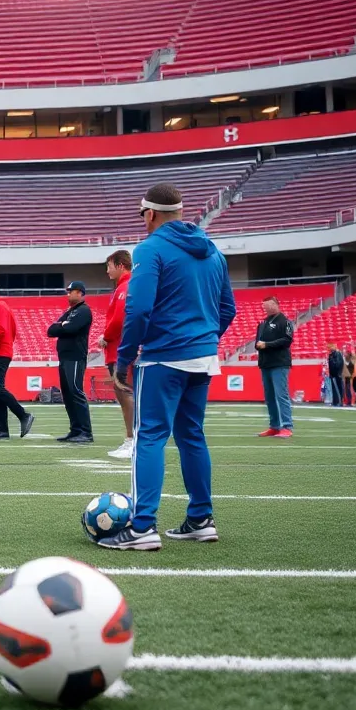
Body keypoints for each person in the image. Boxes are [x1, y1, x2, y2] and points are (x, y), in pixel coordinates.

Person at [104, 183, 236, 551]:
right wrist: (205, 340)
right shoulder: (214, 251)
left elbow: (139, 308)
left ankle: (142, 525)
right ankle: (200, 519)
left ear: (150, 213)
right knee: (192, 435)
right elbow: (228, 309)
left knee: (149, 437)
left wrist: (124, 359)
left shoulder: (150, 249)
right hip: (203, 356)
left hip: (163, 357)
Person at [0, 283, 34, 440]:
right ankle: (2, 429)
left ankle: (23, 415)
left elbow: (1, 330)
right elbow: (11, 330)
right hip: (0, 352)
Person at [47, 281, 94, 444]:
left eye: (71, 291)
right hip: (65, 357)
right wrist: (63, 325)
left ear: (80, 293)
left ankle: (86, 432)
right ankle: (75, 430)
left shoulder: (83, 310)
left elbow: (70, 328)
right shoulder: (71, 311)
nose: (68, 294)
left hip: (75, 357)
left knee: (76, 391)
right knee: (67, 395)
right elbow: (51, 330)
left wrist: (63, 326)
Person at [99, 251, 134, 458]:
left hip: (120, 350)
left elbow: (120, 319)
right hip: (119, 349)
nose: (107, 270)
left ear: (120, 265)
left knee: (125, 394)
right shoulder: (123, 287)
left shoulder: (124, 288)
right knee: (124, 395)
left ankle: (132, 441)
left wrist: (106, 336)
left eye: (109, 266)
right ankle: (131, 439)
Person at [255, 295, 294, 438]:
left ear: (277, 304)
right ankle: (274, 426)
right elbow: (257, 342)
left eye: (270, 304)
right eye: (265, 305)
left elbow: (287, 340)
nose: (267, 307)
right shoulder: (262, 323)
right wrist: (260, 346)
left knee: (281, 395)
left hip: (279, 363)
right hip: (265, 363)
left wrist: (267, 345)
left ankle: (287, 426)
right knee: (269, 396)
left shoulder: (285, 321)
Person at [326, 342, 345, 409]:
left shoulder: (337, 354)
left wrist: (338, 373)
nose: (328, 349)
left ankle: (339, 401)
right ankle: (335, 401)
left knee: (338, 388)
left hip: (337, 374)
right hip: (333, 374)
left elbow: (339, 364)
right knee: (334, 388)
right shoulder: (331, 355)